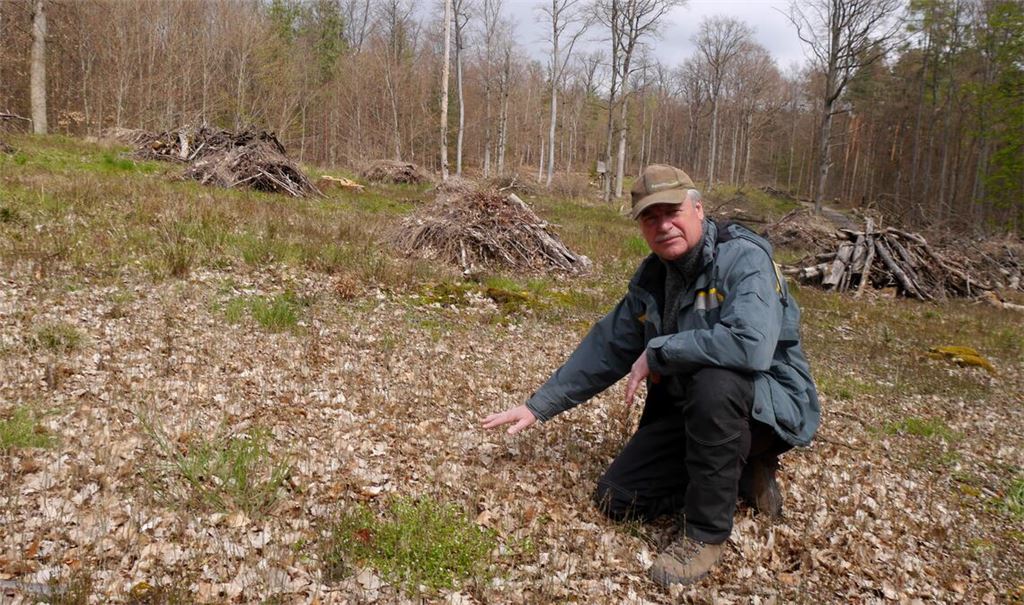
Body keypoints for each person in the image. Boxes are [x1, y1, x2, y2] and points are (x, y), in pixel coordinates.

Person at [481, 164, 820, 587]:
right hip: (698, 412)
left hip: (768, 408)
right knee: (617, 499)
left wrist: (661, 350)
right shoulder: (653, 277)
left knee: (715, 380)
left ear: (698, 209)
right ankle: (740, 473)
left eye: (672, 212)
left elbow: (751, 346)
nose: (663, 225)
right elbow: (608, 346)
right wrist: (538, 406)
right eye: (650, 217)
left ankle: (705, 533)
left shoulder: (745, 258)